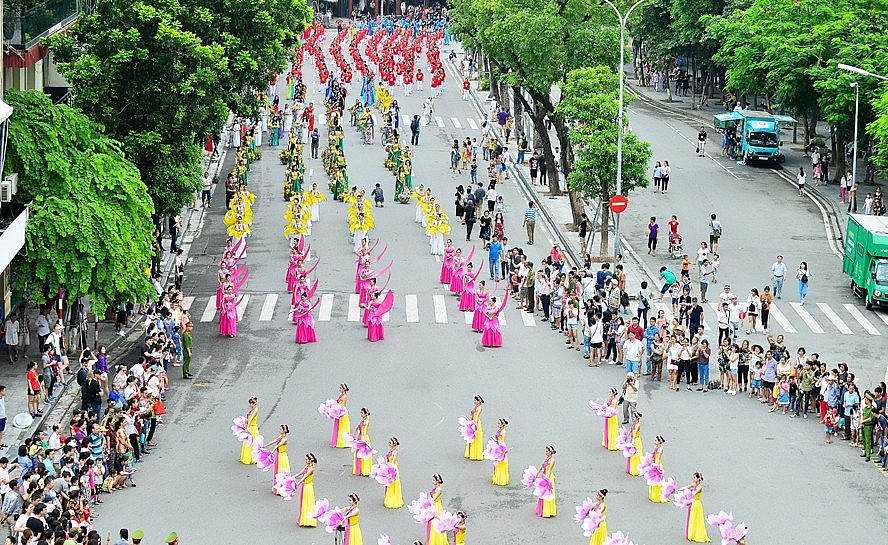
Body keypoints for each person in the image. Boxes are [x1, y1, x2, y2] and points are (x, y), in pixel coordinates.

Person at [680, 472, 711, 542]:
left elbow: (694, 493)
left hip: (697, 504)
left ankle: (696, 534)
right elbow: (686, 487)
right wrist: (677, 490)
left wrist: (687, 493)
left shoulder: (699, 487)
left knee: (697, 518)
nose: (693, 479)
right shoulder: (693, 484)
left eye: (694, 477)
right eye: (693, 477)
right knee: (691, 518)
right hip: (692, 503)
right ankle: (692, 533)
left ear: (698, 479)